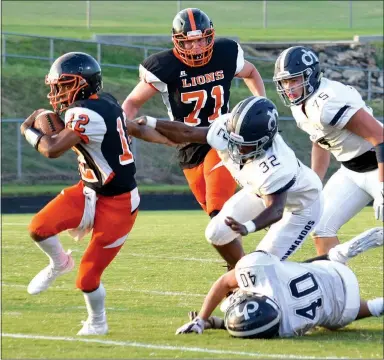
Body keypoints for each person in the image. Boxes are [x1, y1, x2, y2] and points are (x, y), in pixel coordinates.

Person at [20, 52, 173, 335]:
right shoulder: (106, 103)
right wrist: (165, 138)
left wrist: (28, 131)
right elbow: (129, 127)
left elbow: (52, 149)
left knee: (88, 278)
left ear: (83, 84)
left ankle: (98, 322)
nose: (56, 92)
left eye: (64, 85)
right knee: (38, 228)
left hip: (119, 203)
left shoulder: (84, 113)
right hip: (88, 190)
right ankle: (59, 262)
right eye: (56, 86)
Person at [122, 8, 266, 266]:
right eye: (189, 41)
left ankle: (244, 270)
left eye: (201, 39)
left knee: (218, 210)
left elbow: (252, 72)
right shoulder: (164, 66)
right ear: (177, 41)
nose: (197, 47)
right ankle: (241, 266)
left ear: (211, 36)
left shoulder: (225, 53)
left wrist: (261, 104)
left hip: (221, 139)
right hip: (187, 143)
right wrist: (123, 129)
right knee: (216, 218)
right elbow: (132, 102)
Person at [136, 96, 324, 267]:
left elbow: (275, 209)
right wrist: (153, 122)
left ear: (264, 141)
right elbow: (188, 133)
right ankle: (239, 272)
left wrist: (247, 227)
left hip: (302, 206)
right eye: (234, 140)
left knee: (263, 263)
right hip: (257, 192)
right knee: (216, 233)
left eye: (244, 143)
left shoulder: (277, 165)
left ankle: (318, 268)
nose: (237, 147)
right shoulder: (227, 129)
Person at [273, 46, 384, 255]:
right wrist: (314, 185)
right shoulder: (300, 105)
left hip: (378, 164)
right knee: (320, 227)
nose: (289, 87)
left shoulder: (328, 101)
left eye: (294, 80)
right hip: (351, 171)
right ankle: (337, 284)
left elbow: (379, 136)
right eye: (285, 81)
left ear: (310, 76)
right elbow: (319, 141)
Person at [175, 227, 383, 338]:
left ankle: (377, 306)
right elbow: (224, 283)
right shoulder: (258, 271)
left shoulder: (285, 328)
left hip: (346, 307)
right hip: (329, 270)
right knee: (289, 270)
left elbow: (255, 325)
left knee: (332, 317)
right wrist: (202, 318)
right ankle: (335, 255)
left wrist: (213, 323)